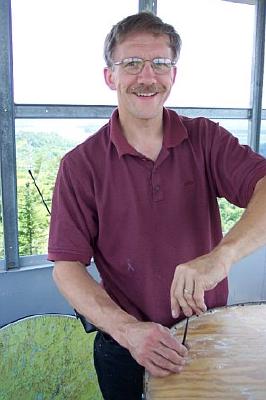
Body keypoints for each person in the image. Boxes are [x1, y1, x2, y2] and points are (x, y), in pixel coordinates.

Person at [48, 11, 266, 400]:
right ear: (109, 76)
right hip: (125, 346)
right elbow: (66, 268)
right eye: (131, 63)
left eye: (160, 63)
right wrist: (128, 331)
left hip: (206, 333)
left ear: (173, 74)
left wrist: (222, 256)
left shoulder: (205, 139)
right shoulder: (80, 165)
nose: (147, 77)